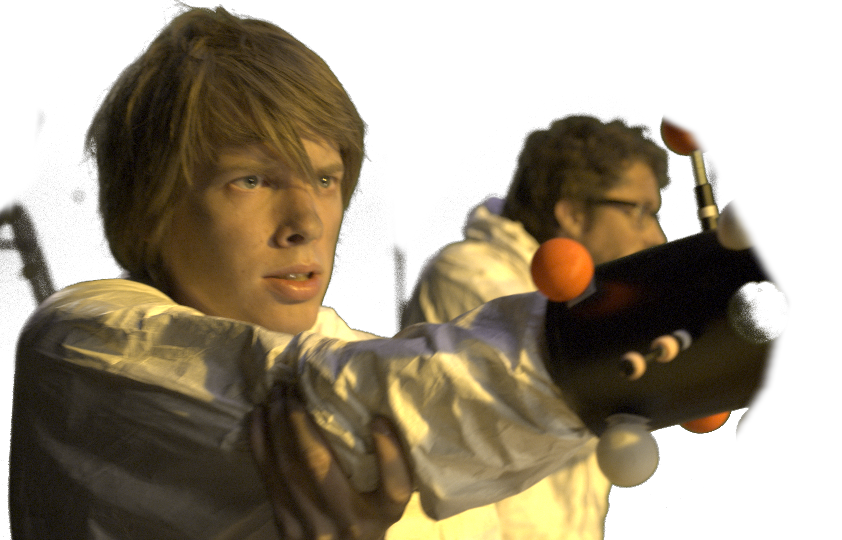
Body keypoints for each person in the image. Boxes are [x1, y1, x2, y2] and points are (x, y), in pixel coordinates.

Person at [8, 6, 775, 540]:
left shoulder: (353, 353)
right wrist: (699, 311)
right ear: (152, 208)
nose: (307, 220)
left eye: (324, 178)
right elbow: (334, 404)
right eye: (251, 178)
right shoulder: (81, 340)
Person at [396, 114, 670, 539]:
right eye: (640, 212)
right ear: (573, 214)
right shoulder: (466, 271)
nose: (657, 237)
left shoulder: (582, 307)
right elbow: (554, 374)